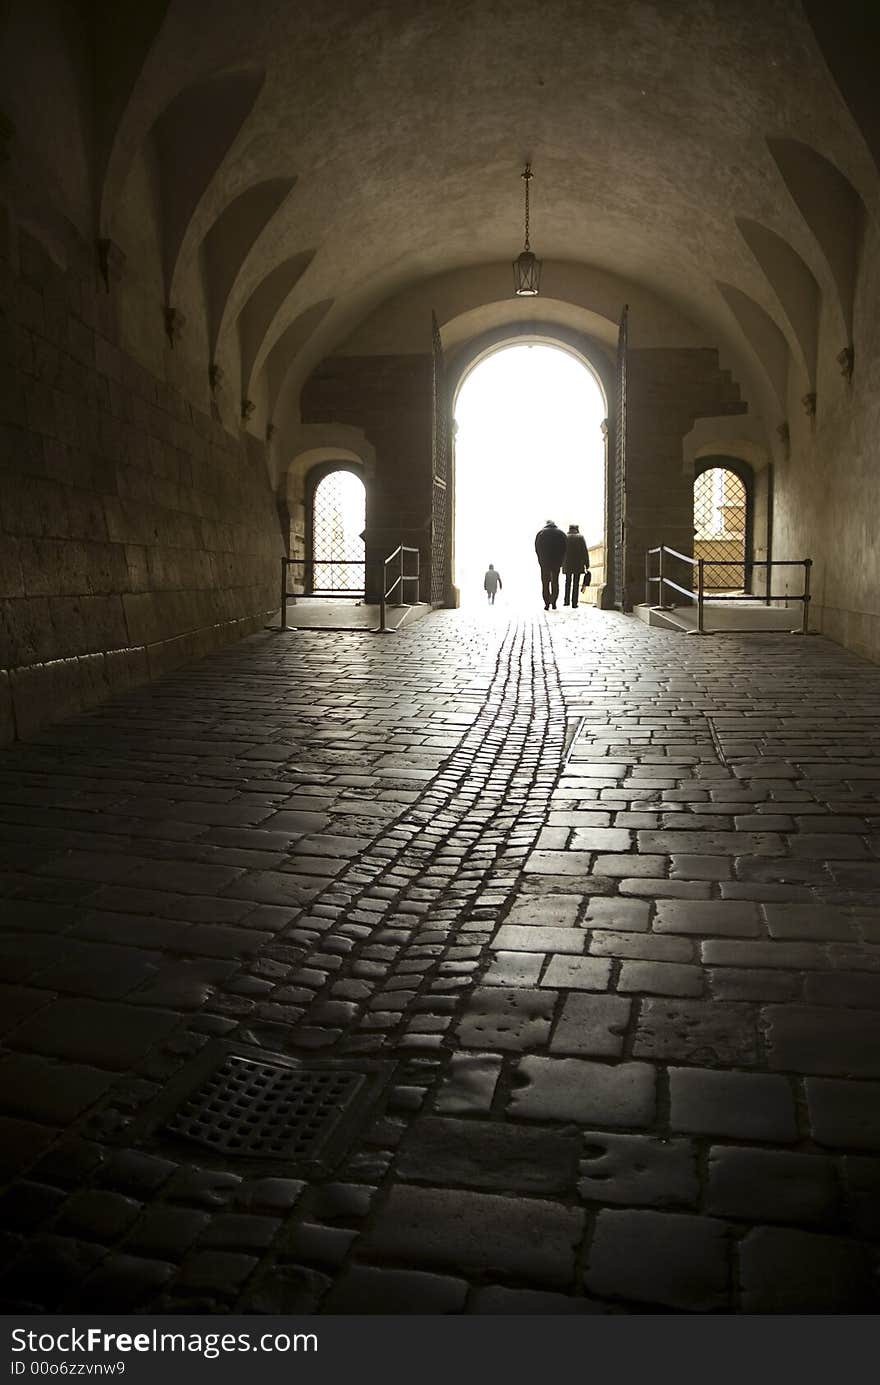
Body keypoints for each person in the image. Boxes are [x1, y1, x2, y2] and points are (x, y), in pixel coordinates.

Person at [534, 520, 567, 609]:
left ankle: (547, 603)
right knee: (555, 582)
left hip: (544, 562)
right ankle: (554, 602)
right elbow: (565, 549)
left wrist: (541, 561)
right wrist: (561, 561)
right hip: (556, 562)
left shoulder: (541, 534)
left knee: (545, 583)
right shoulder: (561, 534)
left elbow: (537, 549)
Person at [563, 523, 591, 607]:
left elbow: (561, 550)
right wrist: (587, 563)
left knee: (567, 582)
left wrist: (561, 562)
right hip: (578, 563)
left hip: (567, 563)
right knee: (576, 582)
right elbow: (584, 551)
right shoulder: (580, 537)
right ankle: (574, 603)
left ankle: (566, 601)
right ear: (577, 529)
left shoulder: (565, 537)